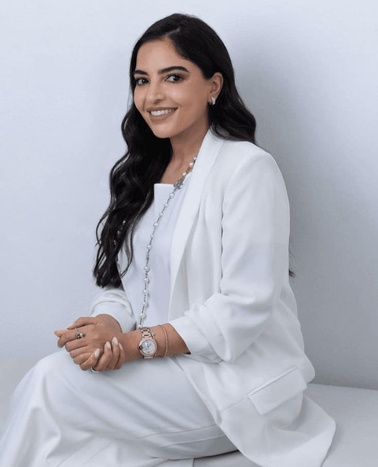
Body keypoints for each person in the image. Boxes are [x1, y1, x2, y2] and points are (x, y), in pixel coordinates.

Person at [0, 13, 335, 467]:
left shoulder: (247, 169)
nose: (152, 95)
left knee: (51, 385)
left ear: (213, 85)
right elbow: (126, 285)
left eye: (173, 77)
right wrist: (107, 328)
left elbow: (244, 306)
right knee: (58, 407)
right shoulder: (145, 173)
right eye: (142, 80)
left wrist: (137, 343)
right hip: (165, 370)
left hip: (232, 385)